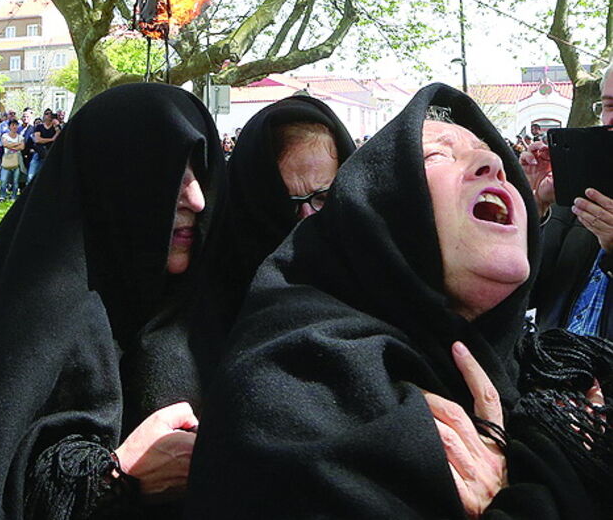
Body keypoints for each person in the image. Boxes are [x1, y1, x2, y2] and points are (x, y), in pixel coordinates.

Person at [185, 83, 605, 519]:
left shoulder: (556, 376)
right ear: (379, 211)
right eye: (437, 155)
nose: (493, 163)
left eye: (493, 156)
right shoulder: (299, 390)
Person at [0, 84, 228, 520]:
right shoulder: (20, 326)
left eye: (201, 172)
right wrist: (116, 477)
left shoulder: (221, 317)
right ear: (110, 181)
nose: (196, 199)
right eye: (170, 176)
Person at [218, 95, 356, 321]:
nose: (306, 217)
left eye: (322, 197)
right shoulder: (213, 291)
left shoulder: (373, 273)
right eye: (285, 202)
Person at [523, 62, 613, 339]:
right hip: (548, 372)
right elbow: (523, 295)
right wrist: (532, 204)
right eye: (609, 106)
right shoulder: (578, 195)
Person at [0, 119, 24, 202]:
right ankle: (2, 195)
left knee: (15, 181)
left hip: (17, 160)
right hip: (7, 160)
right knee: (3, 180)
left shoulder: (20, 137)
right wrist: (17, 145)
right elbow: (4, 144)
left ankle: (14, 196)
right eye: (13, 125)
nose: (14, 127)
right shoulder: (5, 135)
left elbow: (22, 147)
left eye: (16, 125)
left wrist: (10, 145)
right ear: (9, 127)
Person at [28, 111, 59, 182]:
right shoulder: (39, 127)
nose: (49, 115)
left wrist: (57, 126)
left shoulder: (55, 127)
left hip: (50, 153)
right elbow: (37, 140)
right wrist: (51, 139)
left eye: (50, 114)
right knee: (31, 175)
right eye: (47, 114)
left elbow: (58, 137)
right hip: (39, 153)